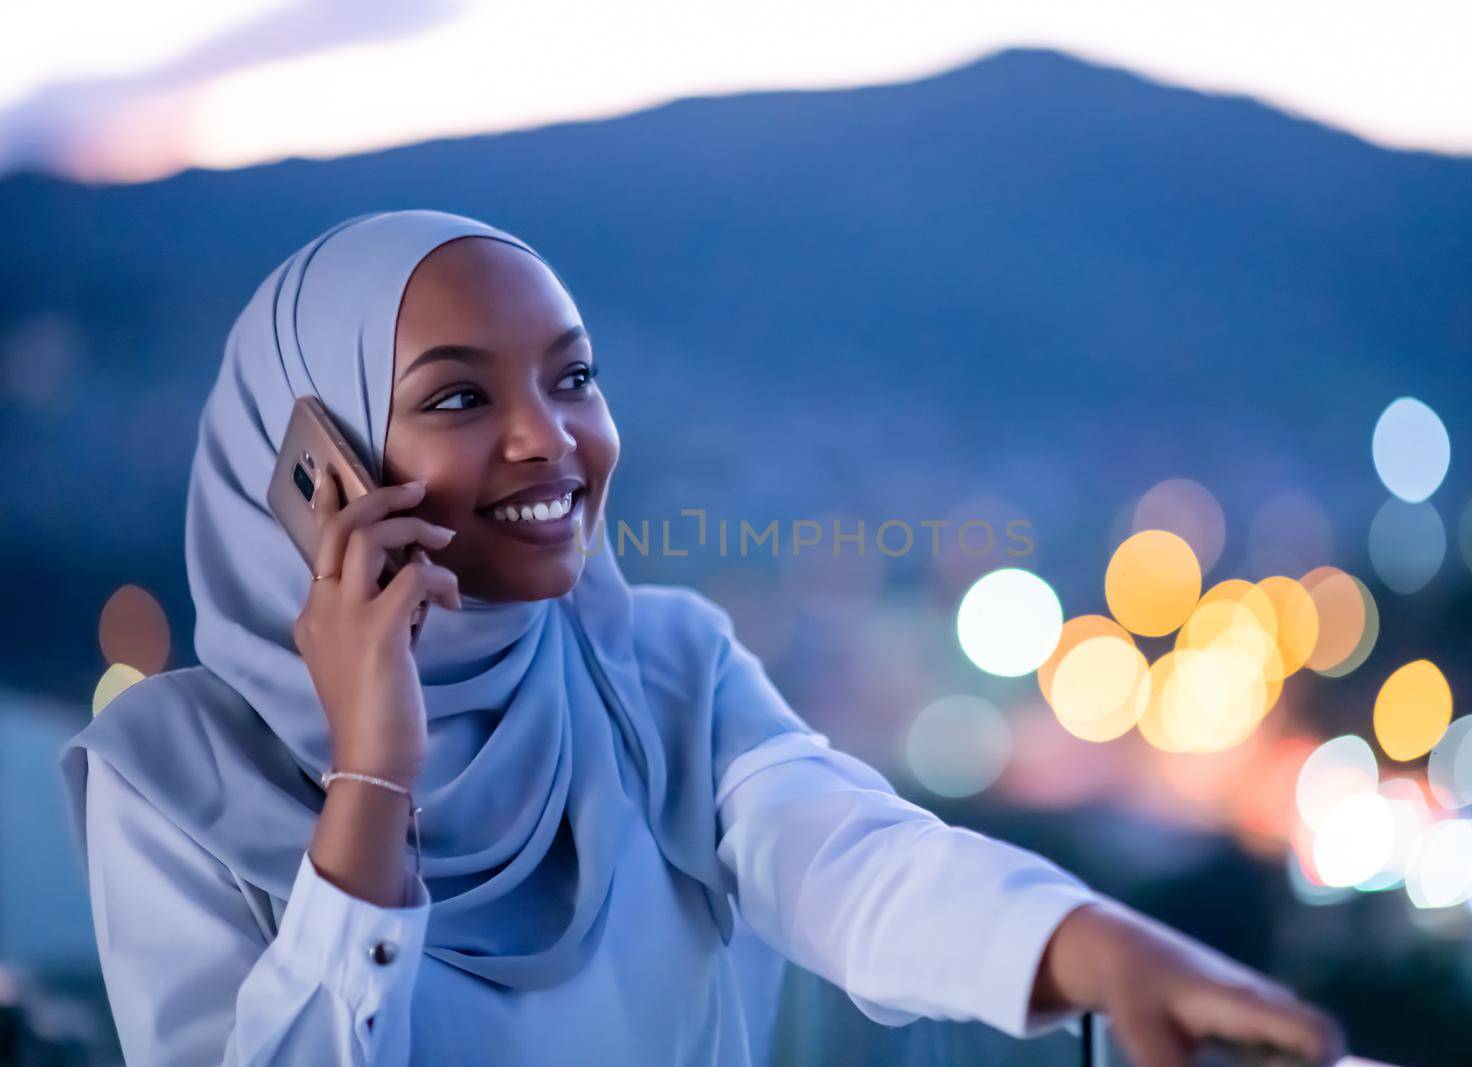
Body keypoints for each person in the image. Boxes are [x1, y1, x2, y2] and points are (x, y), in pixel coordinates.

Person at [59, 210, 1343, 1067]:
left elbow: (843, 854)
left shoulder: (658, 667)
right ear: (312, 473)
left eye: (573, 375)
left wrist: (1090, 943)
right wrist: (373, 773)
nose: (549, 438)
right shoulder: (167, 779)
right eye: (459, 395)